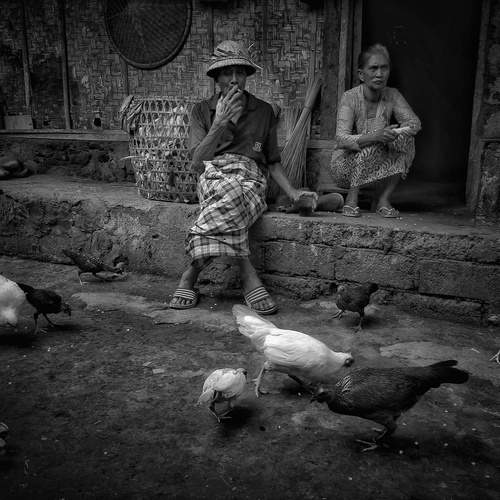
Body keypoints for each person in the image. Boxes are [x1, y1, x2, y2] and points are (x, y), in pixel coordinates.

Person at [168, 40, 317, 314]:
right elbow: (197, 163)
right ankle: (248, 274)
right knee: (229, 189)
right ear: (216, 78)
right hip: (212, 177)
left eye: (240, 72)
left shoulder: (263, 111)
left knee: (235, 189)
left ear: (247, 76)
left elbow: (272, 163)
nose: (234, 79)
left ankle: (190, 274)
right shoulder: (201, 111)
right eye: (227, 73)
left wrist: (293, 193)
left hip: (251, 180)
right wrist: (219, 122)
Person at [330, 43, 421, 218]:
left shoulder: (392, 95)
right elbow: (341, 139)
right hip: (344, 168)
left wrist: (400, 131)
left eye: (384, 68)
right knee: (375, 143)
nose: (379, 74)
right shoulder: (350, 98)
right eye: (373, 68)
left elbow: (414, 123)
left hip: (377, 169)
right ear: (361, 74)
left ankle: (383, 200)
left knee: (406, 139)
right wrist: (376, 136)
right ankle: (352, 198)